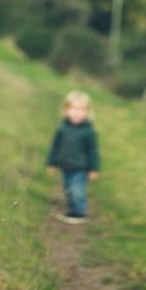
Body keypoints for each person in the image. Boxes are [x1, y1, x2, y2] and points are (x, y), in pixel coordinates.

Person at [46, 90, 100, 224]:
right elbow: (55, 147)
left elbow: (93, 151)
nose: (77, 113)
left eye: (81, 110)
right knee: (68, 189)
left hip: (81, 168)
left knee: (77, 190)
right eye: (74, 109)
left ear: (87, 112)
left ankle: (79, 213)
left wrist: (93, 169)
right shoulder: (62, 129)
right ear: (66, 110)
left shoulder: (89, 132)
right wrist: (52, 163)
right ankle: (73, 209)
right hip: (65, 166)